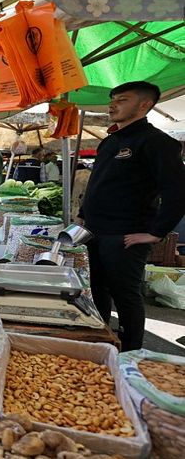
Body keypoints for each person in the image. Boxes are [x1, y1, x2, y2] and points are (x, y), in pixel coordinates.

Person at [77, 81, 185, 351]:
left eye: (122, 100)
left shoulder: (157, 142)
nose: (112, 105)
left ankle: (130, 351)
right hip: (94, 231)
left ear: (144, 105)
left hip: (125, 235)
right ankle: (102, 342)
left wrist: (156, 232)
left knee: (125, 296)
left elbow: (178, 191)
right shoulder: (110, 142)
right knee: (96, 290)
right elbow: (97, 183)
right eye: (112, 99)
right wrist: (82, 215)